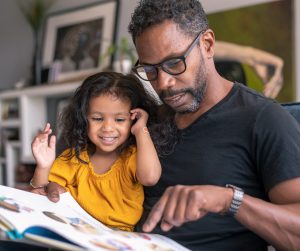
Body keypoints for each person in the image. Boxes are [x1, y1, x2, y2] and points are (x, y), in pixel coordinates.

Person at [30, 0, 300, 250]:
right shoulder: (143, 118)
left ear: (207, 44)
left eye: (174, 63)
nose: (163, 83)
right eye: (150, 70)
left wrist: (229, 200)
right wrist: (49, 190)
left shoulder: (263, 119)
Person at [30, 71, 162, 232]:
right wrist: (43, 167)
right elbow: (39, 190)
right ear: (84, 119)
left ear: (133, 119)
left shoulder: (132, 156)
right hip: (74, 229)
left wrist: (141, 129)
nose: (107, 128)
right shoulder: (75, 157)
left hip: (117, 237)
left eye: (119, 120)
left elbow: (150, 178)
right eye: (98, 119)